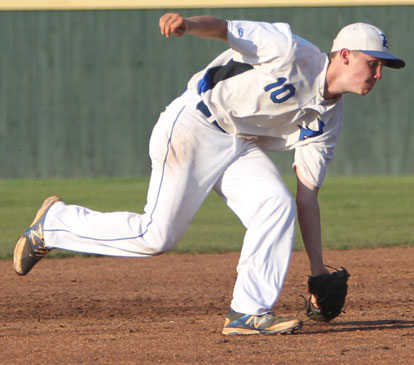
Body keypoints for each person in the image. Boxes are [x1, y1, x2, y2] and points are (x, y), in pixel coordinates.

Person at [13, 13, 405, 336]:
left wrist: (318, 271)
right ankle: (55, 224)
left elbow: (307, 195)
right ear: (347, 55)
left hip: (238, 144)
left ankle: (248, 311)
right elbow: (227, 29)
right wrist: (187, 24)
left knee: (276, 204)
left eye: (382, 66)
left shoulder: (329, 121)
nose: (378, 73)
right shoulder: (291, 51)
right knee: (156, 237)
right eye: (374, 63)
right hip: (193, 125)